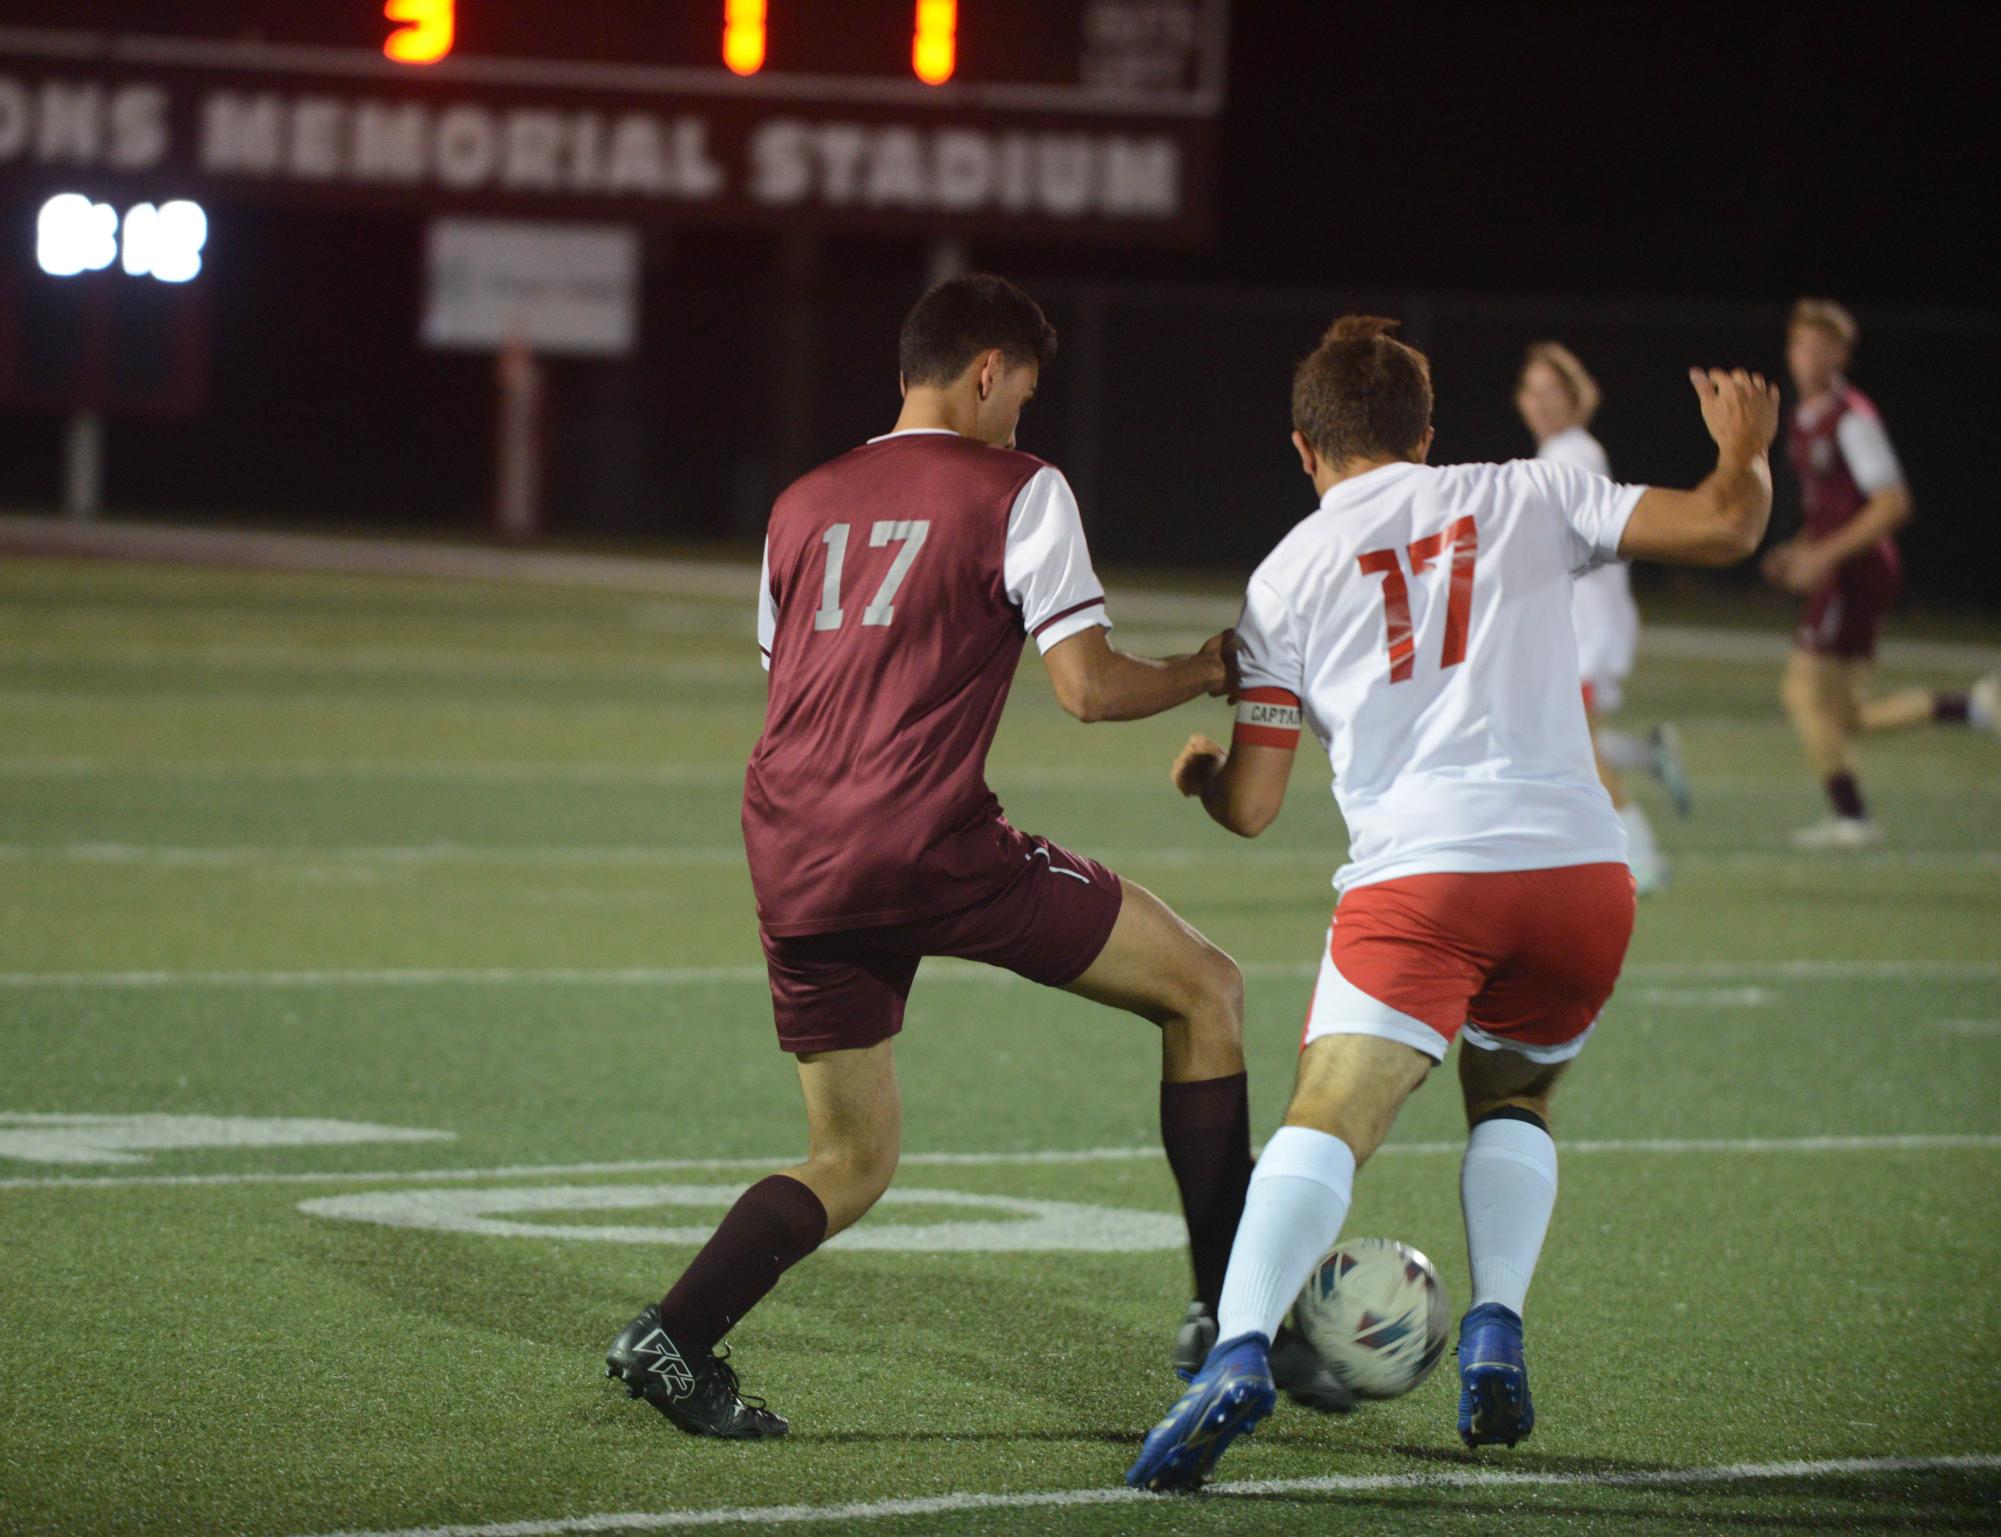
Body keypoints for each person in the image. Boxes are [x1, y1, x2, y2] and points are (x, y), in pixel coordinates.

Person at [1124, 317, 1781, 1491]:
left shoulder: (1283, 577)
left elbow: (1256, 805)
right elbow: (1727, 522)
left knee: (1328, 1115)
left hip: (1423, 875)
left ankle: (1234, 1351)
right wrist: (1746, 452)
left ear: (1303, 447)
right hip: (1580, 873)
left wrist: (1201, 779)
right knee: (1516, 1095)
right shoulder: (1530, 490)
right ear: (1428, 434)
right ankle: (1496, 1326)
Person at [604, 274, 1260, 1440]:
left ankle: (675, 1334)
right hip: (928, 846)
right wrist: (1207, 669)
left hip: (793, 847)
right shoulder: (1020, 487)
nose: (1022, 421)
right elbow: (1089, 689)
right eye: (1022, 395)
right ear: (988, 371)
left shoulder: (802, 500)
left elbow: (793, 677)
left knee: (849, 1158)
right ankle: (1229, 1318)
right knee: (1206, 989)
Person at [1765, 298, 1998, 849]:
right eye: (1800, 344)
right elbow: (1831, 508)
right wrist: (1799, 549)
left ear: (1842, 354)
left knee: (1802, 695)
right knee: (1845, 718)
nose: (1807, 357)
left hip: (1855, 573)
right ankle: (1974, 707)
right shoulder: (1805, 417)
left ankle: (1852, 818)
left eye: (1821, 347)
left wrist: (1821, 559)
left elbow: (1892, 504)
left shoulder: (1854, 419)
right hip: (1844, 569)